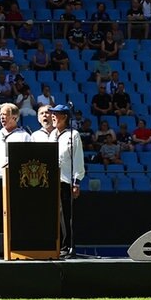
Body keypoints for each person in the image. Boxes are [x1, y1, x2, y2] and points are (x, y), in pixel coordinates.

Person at [0, 103, 31, 234]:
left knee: (15, 213)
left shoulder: (24, 136)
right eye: (0, 114)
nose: (1, 117)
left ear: (15, 117)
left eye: (5, 114)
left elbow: (28, 161)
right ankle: (0, 245)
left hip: (15, 181)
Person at [48, 104, 84, 256]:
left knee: (66, 214)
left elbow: (78, 159)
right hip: (52, 180)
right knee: (56, 214)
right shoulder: (52, 135)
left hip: (66, 180)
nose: (53, 117)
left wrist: (76, 181)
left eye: (56, 114)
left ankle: (68, 246)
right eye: (52, 114)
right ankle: (58, 244)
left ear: (65, 117)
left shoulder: (73, 134)